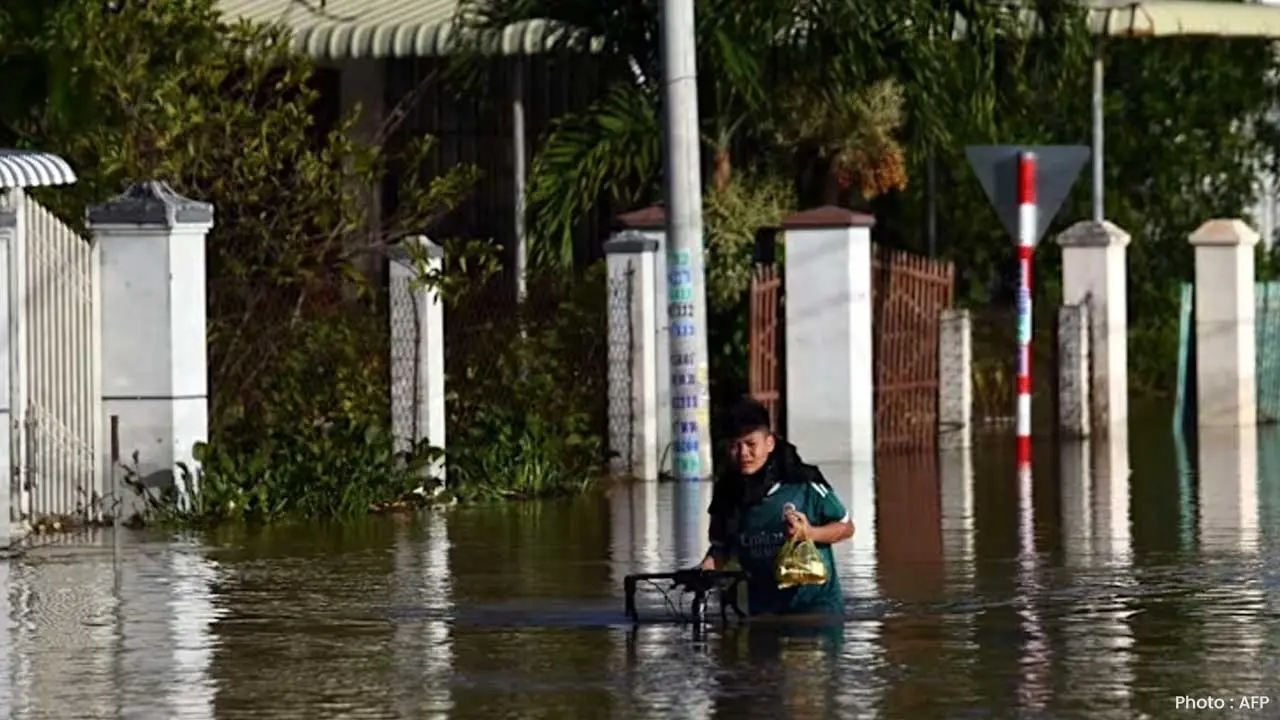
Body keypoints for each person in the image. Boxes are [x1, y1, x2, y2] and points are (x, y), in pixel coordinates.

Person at [697, 397, 854, 616]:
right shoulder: (727, 494)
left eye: (751, 444)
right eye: (735, 445)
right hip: (762, 613)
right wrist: (703, 573)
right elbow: (721, 549)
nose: (743, 453)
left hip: (817, 611)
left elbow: (846, 527)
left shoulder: (803, 482)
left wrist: (810, 533)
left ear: (769, 443)